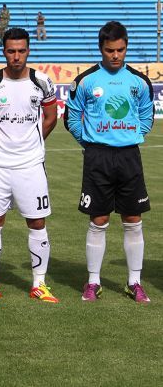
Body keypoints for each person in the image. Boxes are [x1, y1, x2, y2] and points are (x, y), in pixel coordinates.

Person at [64, 21, 153, 303]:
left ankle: (134, 282)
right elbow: (71, 117)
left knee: (133, 218)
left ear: (126, 48)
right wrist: (90, 143)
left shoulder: (139, 81)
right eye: (110, 50)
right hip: (98, 157)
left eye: (120, 50)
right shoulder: (86, 80)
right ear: (100, 49)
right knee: (99, 218)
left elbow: (146, 115)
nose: (115, 55)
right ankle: (93, 282)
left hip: (129, 156)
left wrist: (132, 136)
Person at [0, 27, 59, 304]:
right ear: (4, 52)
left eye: (21, 51)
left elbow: (51, 116)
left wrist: (33, 143)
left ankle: (39, 284)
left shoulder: (42, 82)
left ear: (28, 51)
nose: (17, 56)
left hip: (31, 165)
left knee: (37, 222)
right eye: (11, 51)